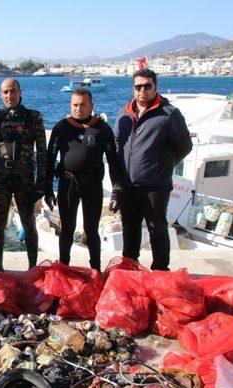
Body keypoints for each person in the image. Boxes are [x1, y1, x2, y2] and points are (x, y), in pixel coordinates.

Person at [114, 68, 192, 270]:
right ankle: (130, 268)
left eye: (147, 86)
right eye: (138, 86)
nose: (143, 90)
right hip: (128, 185)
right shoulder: (125, 112)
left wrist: (164, 166)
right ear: (133, 89)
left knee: (156, 229)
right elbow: (116, 142)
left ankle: (160, 271)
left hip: (155, 186)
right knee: (130, 231)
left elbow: (184, 146)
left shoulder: (169, 114)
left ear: (155, 87)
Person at [44, 89, 123, 271]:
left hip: (93, 185)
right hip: (68, 184)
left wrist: (117, 191)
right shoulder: (61, 128)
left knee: (91, 229)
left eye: (83, 105)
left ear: (91, 106)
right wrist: (48, 188)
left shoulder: (102, 129)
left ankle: (96, 269)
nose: (78, 108)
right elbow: (49, 159)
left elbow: (113, 161)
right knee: (67, 229)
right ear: (70, 105)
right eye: (75, 105)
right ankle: (64, 269)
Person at [0, 78, 46, 272]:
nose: (9, 95)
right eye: (5, 92)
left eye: (13, 91)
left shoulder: (34, 117)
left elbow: (42, 153)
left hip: (25, 178)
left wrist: (42, 183)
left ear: (20, 92)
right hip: (1, 178)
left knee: (29, 224)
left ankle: (32, 267)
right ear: (1, 94)